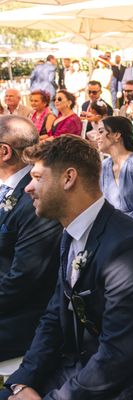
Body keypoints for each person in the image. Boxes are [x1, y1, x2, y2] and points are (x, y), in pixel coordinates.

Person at [2, 135, 133, 399]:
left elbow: (119, 354)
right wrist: (22, 382)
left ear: (69, 178)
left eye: (37, 177)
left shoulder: (132, 249)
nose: (28, 188)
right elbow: (53, 318)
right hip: (82, 370)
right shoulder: (70, 233)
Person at [0, 116, 61, 363]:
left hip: (19, 318)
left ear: (4, 152)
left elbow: (23, 281)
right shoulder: (7, 188)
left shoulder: (37, 198)